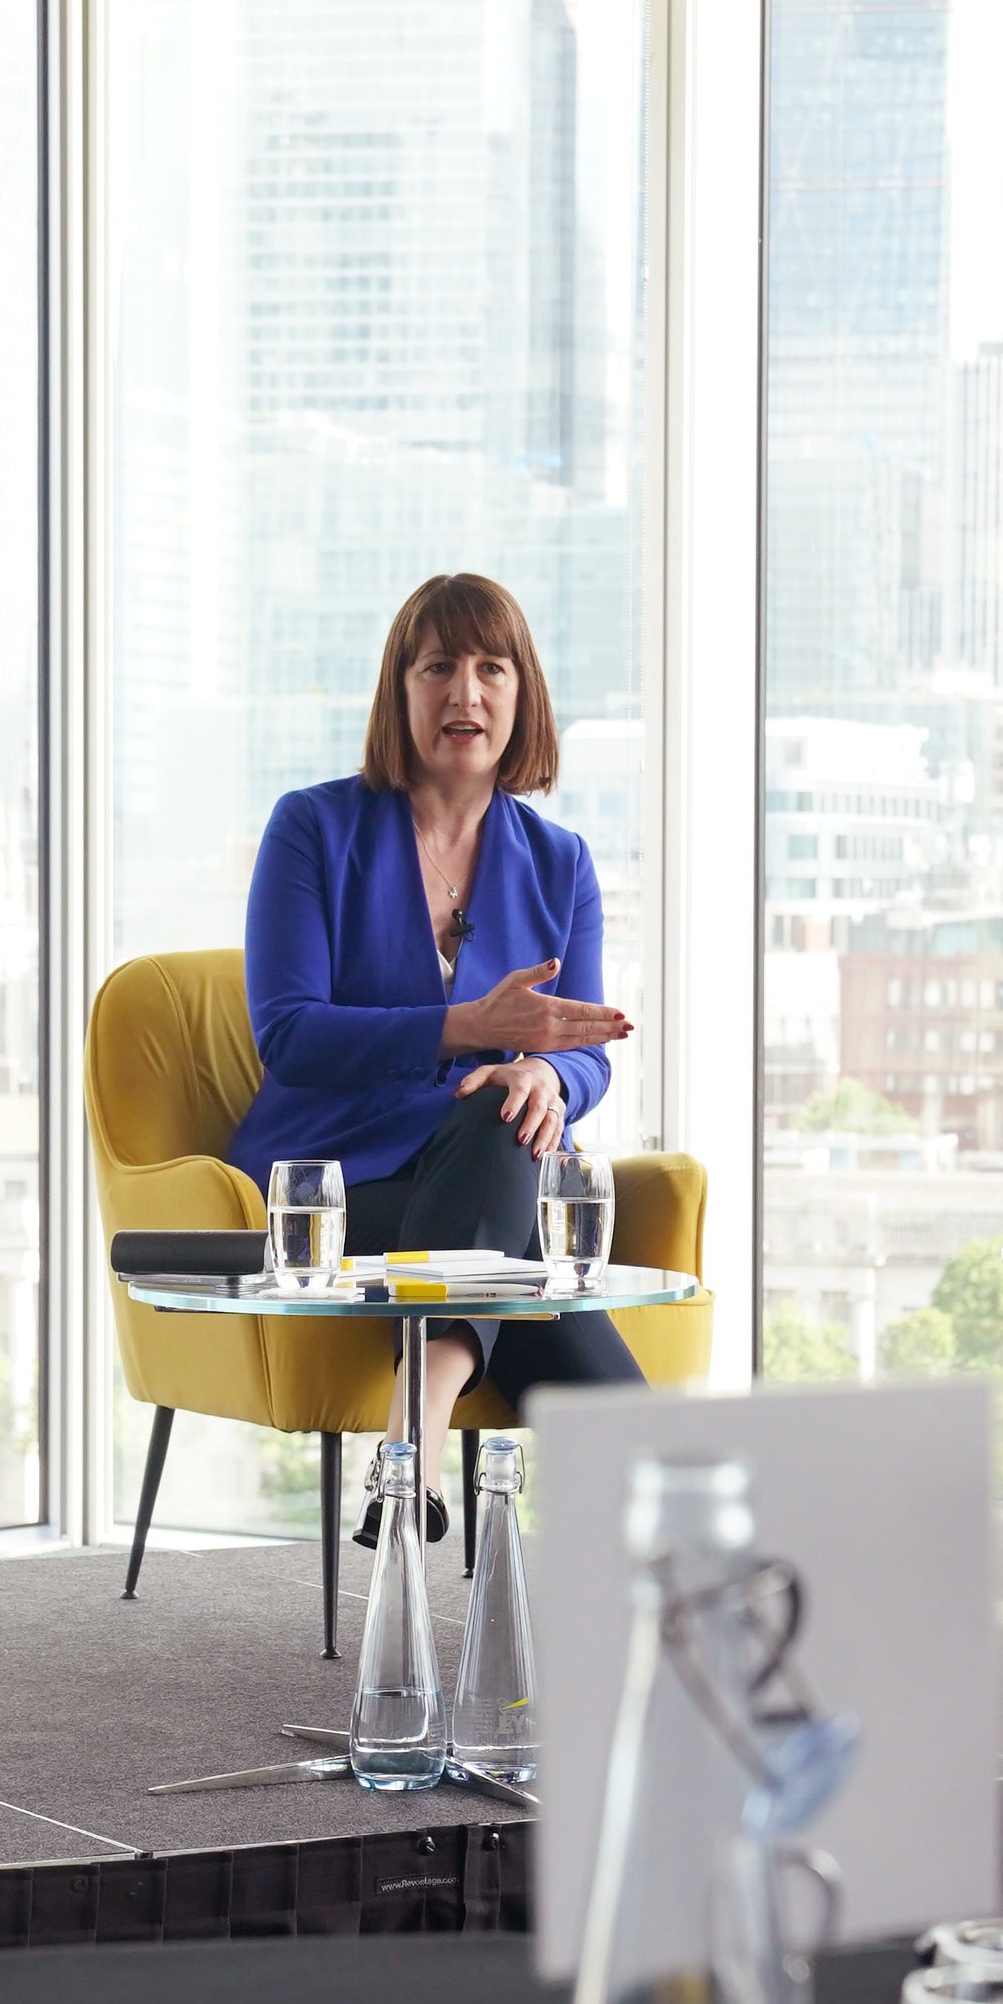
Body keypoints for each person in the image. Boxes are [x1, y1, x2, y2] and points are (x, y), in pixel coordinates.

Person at [231, 573, 643, 1478]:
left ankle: (410, 1435)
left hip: (481, 1181)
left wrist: (547, 1076)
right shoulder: (312, 827)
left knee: (506, 1124)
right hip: (337, 1196)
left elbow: (587, 1051)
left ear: (521, 695)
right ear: (400, 691)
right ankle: (675, 1528)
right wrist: (467, 1029)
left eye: (493, 668)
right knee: (513, 1193)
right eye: (438, 668)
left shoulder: (560, 862)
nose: (467, 692)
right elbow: (290, 1034)